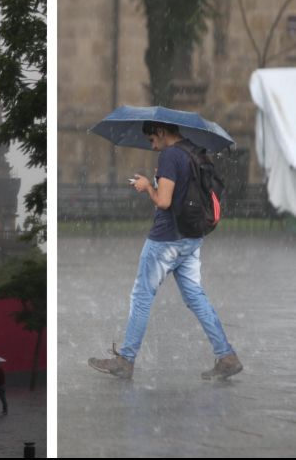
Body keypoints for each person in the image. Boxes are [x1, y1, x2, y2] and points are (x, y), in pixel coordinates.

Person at [88, 121, 242, 381]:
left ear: (160, 131)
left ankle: (125, 360)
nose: (152, 144)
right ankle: (226, 356)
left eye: (151, 139)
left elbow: (164, 201)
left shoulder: (170, 155)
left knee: (141, 296)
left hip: (165, 240)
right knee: (196, 296)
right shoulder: (194, 151)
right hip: (191, 239)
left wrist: (148, 186)